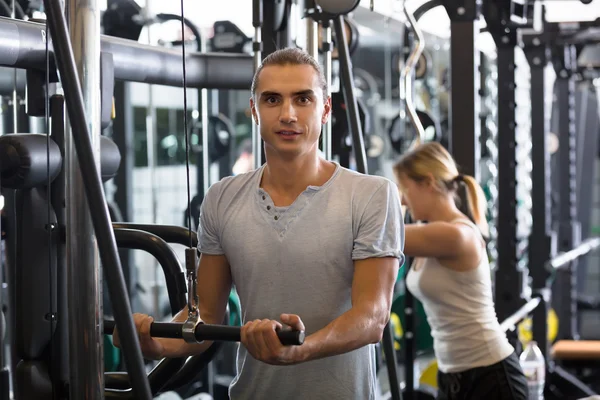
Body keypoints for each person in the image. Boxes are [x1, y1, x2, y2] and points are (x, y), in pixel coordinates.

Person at [114, 47, 404, 400]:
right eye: (271, 100)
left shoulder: (372, 195)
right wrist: (154, 341)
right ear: (254, 110)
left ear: (325, 109)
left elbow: (372, 318)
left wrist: (300, 349)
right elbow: (204, 315)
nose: (287, 114)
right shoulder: (222, 197)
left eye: (302, 99)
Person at [393, 141, 528, 400]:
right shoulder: (430, 232)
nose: (402, 198)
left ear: (428, 182)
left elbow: (379, 234)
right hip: (452, 376)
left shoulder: (457, 234)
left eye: (404, 188)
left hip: (491, 375)